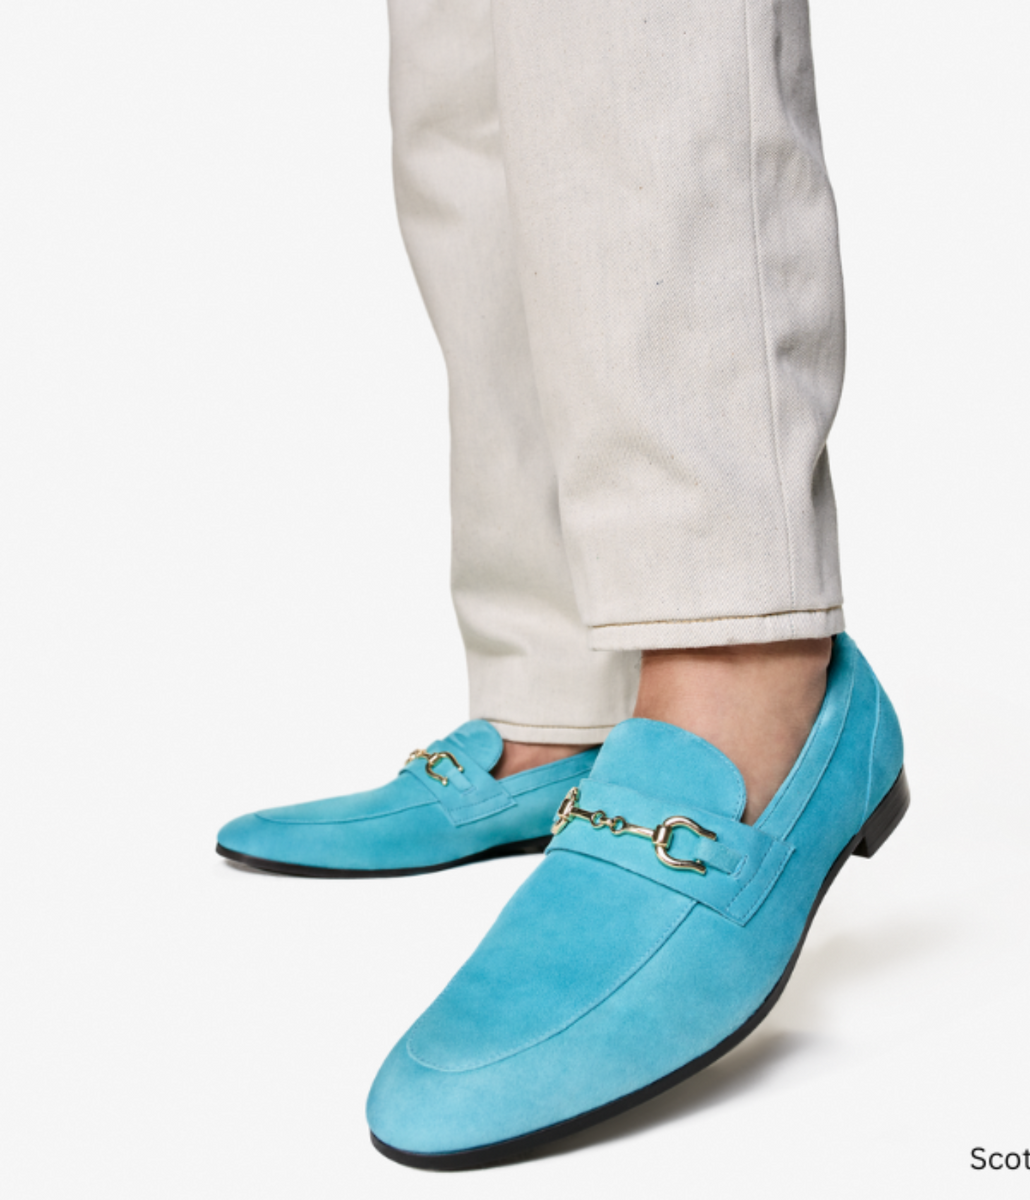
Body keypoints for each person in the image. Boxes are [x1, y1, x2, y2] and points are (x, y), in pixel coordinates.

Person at [216, 0, 908, 1169]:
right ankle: (565, 694)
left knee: (627, 39)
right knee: (468, 72)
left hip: (743, 689)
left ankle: (735, 657)